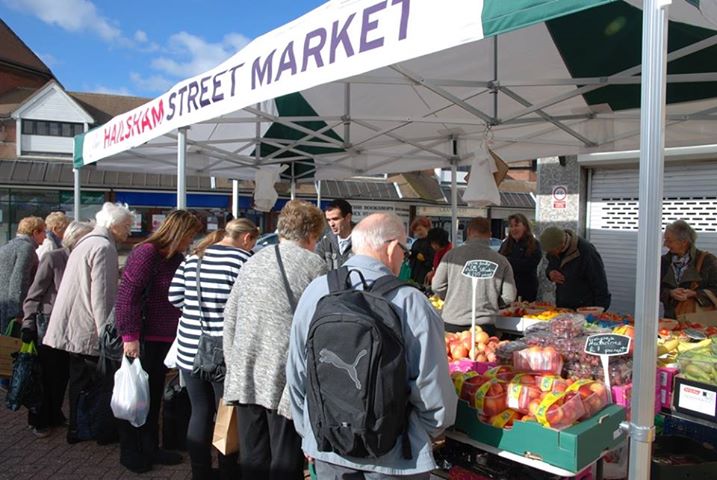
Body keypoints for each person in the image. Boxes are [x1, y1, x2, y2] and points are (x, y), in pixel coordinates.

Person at [286, 212, 457, 479]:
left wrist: (311, 430)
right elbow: (431, 387)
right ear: (391, 247)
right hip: (396, 456)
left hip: (329, 448)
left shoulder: (318, 291)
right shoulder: (411, 302)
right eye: (404, 250)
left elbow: (297, 371)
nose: (404, 258)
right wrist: (425, 431)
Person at [223, 200, 328, 480]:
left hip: (246, 371)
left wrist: (234, 366)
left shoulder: (253, 260)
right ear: (310, 235)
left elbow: (230, 318)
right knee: (284, 459)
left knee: (252, 457)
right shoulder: (314, 265)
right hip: (284, 374)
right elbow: (323, 322)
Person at [169, 219, 258, 480]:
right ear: (246, 238)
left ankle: (201, 472)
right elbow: (250, 306)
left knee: (199, 410)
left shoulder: (194, 258)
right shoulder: (243, 261)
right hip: (224, 350)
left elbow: (174, 296)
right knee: (226, 413)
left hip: (190, 347)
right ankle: (228, 470)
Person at [114, 209, 202, 473]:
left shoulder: (174, 257)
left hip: (164, 338)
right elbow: (127, 297)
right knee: (136, 397)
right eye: (190, 235)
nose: (191, 240)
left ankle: (150, 446)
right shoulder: (147, 253)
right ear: (178, 232)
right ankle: (131, 451)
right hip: (143, 338)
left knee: (152, 396)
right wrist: (130, 338)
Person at [44, 202, 134, 445]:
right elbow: (102, 297)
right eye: (126, 226)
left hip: (73, 324)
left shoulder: (88, 241)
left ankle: (77, 427)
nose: (128, 232)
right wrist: (106, 333)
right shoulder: (104, 247)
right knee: (93, 381)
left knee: (78, 380)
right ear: (114, 225)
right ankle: (90, 428)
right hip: (86, 328)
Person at [21, 220, 94, 438]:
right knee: (47, 374)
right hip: (49, 323)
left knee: (63, 375)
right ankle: (40, 418)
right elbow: (34, 294)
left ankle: (56, 414)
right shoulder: (53, 258)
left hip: (74, 325)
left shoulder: (85, 259)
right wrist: (28, 322)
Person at [432, 217, 516, 334]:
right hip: (484, 327)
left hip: (452, 322)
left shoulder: (451, 256)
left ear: (468, 232)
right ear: (490, 234)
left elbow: (437, 286)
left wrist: (453, 297)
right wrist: (491, 300)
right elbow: (509, 296)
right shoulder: (501, 261)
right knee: (483, 353)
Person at [540, 226, 611, 310]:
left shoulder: (587, 252)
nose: (550, 254)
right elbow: (551, 266)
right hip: (563, 306)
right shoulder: (553, 250)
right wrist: (550, 273)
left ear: (562, 244)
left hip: (585, 308)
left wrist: (599, 311)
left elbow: (600, 283)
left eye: (551, 251)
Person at [660, 220, 717, 319]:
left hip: (699, 322)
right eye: (665, 240)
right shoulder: (663, 261)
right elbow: (652, 289)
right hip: (670, 321)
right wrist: (670, 293)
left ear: (684, 242)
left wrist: (695, 294)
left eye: (669, 240)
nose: (665, 244)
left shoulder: (708, 261)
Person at [0, 216, 45, 334]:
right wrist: (17, 312)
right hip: (12, 308)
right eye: (44, 232)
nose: (45, 236)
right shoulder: (26, 248)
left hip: (4, 304)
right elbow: (19, 280)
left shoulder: (8, 246)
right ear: (35, 232)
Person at [499, 213, 542, 302]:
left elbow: (529, 264)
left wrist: (507, 262)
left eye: (517, 225)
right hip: (506, 289)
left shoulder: (533, 244)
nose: (514, 229)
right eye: (511, 226)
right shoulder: (505, 244)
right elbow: (498, 261)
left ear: (525, 227)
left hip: (526, 290)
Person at [315, 198, 354, 270]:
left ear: (348, 217)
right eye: (328, 220)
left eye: (335, 219)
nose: (331, 224)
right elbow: (314, 264)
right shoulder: (325, 241)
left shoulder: (363, 240)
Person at [408, 216, 434, 285]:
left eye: (420, 229)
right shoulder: (416, 242)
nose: (418, 232)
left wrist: (424, 259)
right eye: (416, 230)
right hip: (414, 276)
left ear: (427, 228)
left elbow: (434, 260)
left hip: (426, 277)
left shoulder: (432, 242)